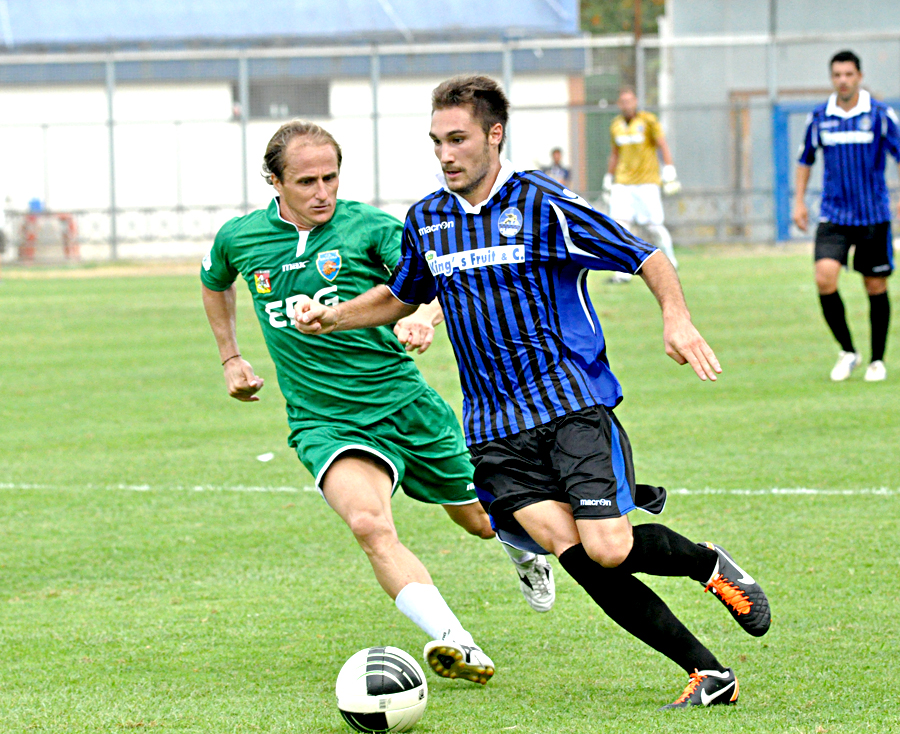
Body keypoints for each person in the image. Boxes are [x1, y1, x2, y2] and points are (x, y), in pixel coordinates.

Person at [294, 75, 771, 710]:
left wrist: (676, 318)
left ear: (495, 134)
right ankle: (708, 673)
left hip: (569, 406)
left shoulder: (545, 205)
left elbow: (645, 255)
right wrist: (336, 316)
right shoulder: (426, 219)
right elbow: (405, 294)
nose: (445, 154)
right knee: (569, 549)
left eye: (458, 139)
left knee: (609, 547)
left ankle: (707, 564)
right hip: (492, 429)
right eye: (436, 141)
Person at [200, 120, 556, 687]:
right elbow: (215, 281)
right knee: (369, 524)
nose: (322, 192)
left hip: (405, 405)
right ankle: (455, 641)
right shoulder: (240, 237)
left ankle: (524, 554)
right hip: (324, 420)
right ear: (274, 182)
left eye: (331, 178)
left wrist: (421, 316)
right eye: (307, 181)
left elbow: (434, 279)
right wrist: (230, 357)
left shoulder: (370, 227)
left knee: (482, 524)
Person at [792, 50, 898, 382]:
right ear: (832, 78)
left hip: (873, 214)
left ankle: (877, 360)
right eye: (837, 75)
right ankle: (848, 351)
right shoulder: (820, 116)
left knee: (875, 285)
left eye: (849, 74)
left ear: (859, 76)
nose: (843, 80)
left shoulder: (880, 115)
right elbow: (805, 160)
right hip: (834, 214)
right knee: (824, 278)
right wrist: (799, 202)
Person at [602, 86, 680, 283]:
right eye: (623, 101)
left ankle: (671, 261)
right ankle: (622, 273)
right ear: (619, 104)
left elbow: (662, 145)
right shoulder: (616, 125)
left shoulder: (648, 121)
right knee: (619, 227)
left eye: (630, 101)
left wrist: (669, 169)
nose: (627, 105)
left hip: (646, 182)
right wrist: (608, 178)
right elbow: (615, 153)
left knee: (654, 226)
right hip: (623, 183)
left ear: (635, 102)